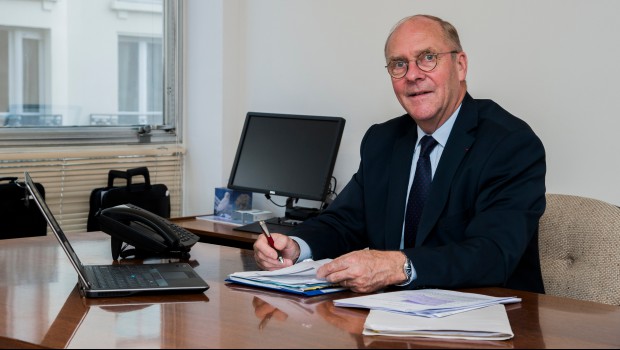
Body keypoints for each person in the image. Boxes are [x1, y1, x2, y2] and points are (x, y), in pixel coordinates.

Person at [253, 14, 546, 294]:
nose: (413, 75)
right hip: (393, 315)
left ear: (460, 65)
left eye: (428, 58)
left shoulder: (510, 144)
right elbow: (343, 222)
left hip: (492, 320)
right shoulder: (383, 140)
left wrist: (400, 266)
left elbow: (493, 254)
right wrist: (296, 244)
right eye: (399, 64)